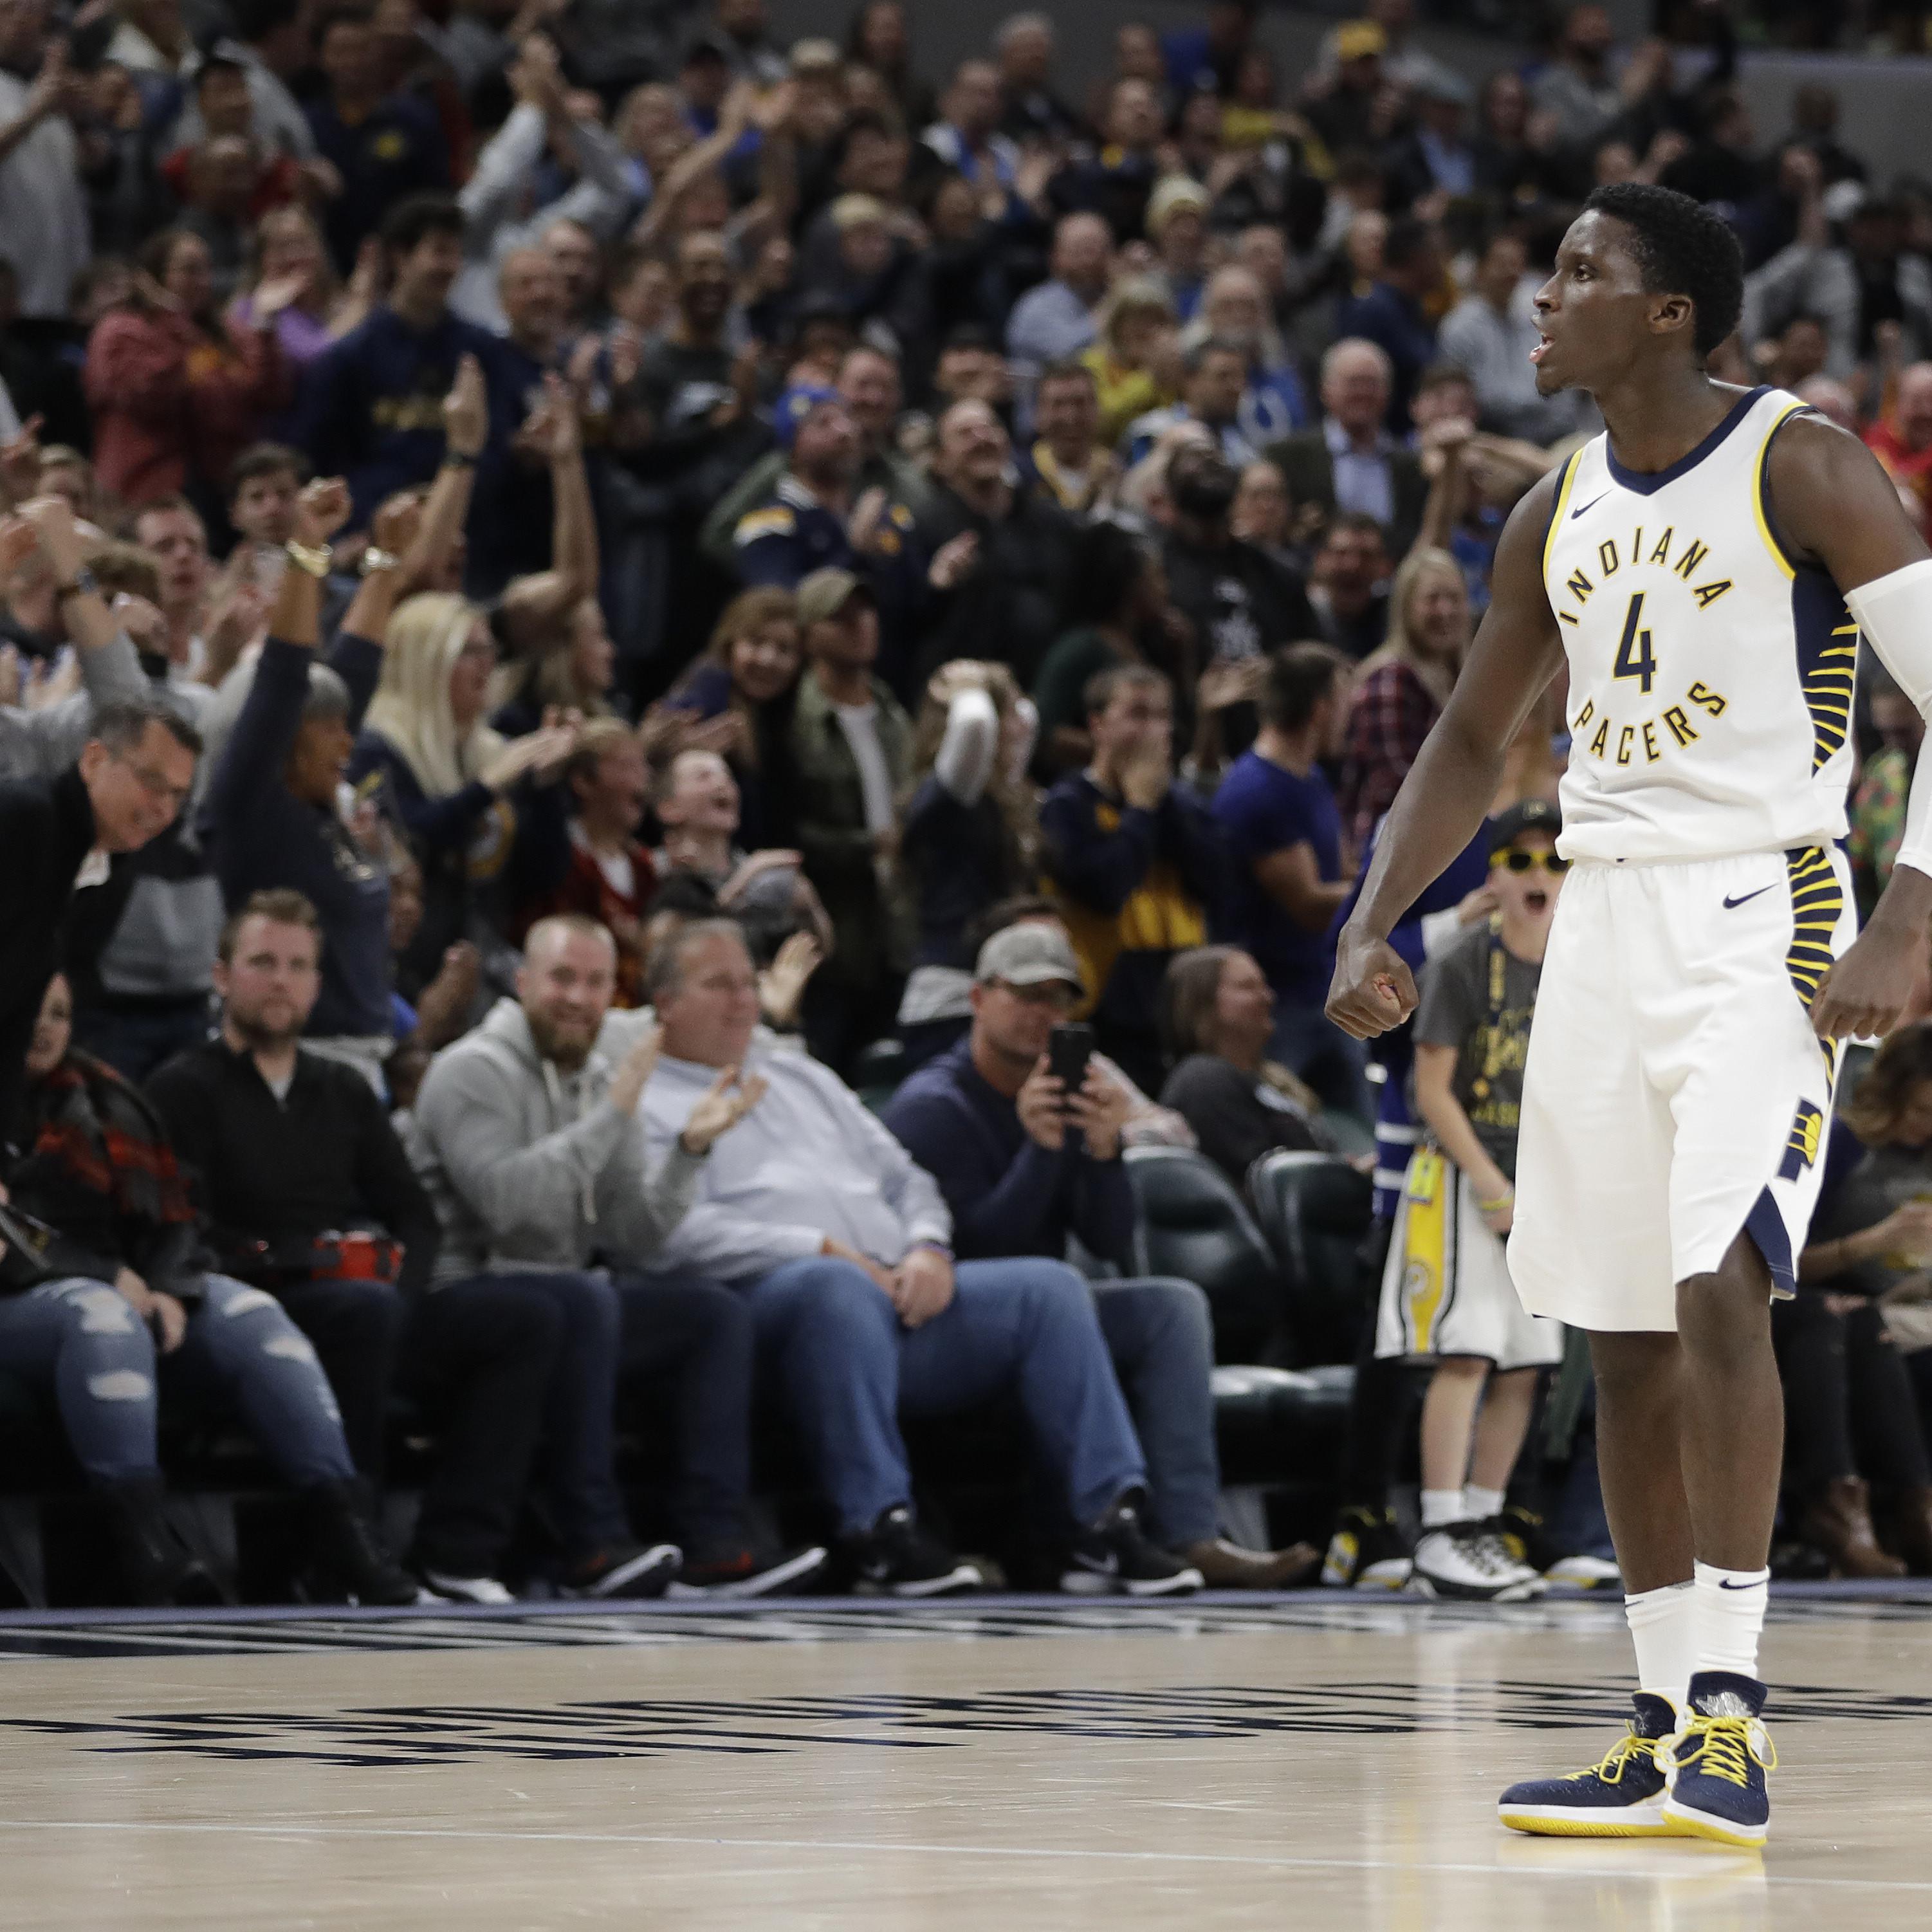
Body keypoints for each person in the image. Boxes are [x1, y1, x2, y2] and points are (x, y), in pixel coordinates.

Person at [1328, 181, 1932, 1849]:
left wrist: (1904, 909)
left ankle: (1732, 1717)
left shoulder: (1797, 461)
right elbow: (1463, 743)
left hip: (1766, 904)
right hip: (1601, 911)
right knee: (1621, 1327)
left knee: (1719, 1281)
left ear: (1667, 310)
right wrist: (1368, 913)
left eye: (1580, 272)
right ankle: (1662, 1719)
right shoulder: (1552, 508)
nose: (1543, 295)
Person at [636, 918, 1201, 1597]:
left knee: (1050, 1287)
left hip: (895, 1297)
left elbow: (908, 1181)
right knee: (832, 1287)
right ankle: (878, 1530)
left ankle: (1107, 1525)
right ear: (664, 1002)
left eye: (746, 984)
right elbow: (662, 1231)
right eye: (717, 985)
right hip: (768, 1311)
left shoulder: (799, 1075)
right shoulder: (641, 1095)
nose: (741, 1001)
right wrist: (820, 1248)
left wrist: (929, 1248)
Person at [145, 888, 569, 1605]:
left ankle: (457, 1551)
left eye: (297, 966)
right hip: (242, 1304)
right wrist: (297, 1261)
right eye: (262, 962)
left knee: (526, 1318)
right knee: (358, 1315)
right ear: (222, 977)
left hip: (361, 1302)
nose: (280, 981)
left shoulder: (342, 1089)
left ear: (317, 983)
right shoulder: (181, 1086)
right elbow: (175, 1227)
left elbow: (416, 1217)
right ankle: (349, 1550)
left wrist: (403, 1295)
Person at [883, 921, 1316, 1590]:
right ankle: (1105, 1528)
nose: (1042, 1015)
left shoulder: (1070, 1094)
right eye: (1025, 995)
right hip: (948, 1320)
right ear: (978, 999)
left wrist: (1106, 1153)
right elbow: (984, 1246)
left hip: (1047, 1310)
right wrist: (1039, 1149)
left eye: (1058, 1000)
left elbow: (1113, 1241)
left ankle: (1192, 1533)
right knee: (1052, 1285)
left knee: (1170, 1306)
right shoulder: (933, 1107)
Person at [412, 914, 828, 1596]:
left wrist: (690, 1153)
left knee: (710, 1316)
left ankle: (714, 1546)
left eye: (596, 982)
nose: (578, 997)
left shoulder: (601, 1075)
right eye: (562, 979)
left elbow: (636, 1231)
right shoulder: (471, 1072)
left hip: (568, 1305)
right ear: (522, 984)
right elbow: (508, 1206)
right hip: (461, 1301)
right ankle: (592, 1546)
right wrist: (610, 1114)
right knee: (584, 1298)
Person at [6, 971, 418, 1606]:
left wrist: (171, 1285)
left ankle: (346, 1536)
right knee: (103, 1316)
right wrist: (100, 1273)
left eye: (59, 1011)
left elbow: (176, 1215)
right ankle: (148, 1551)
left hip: (131, 1283)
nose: (44, 1025)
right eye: (32, 1009)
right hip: (28, 1298)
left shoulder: (109, 1097)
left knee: (255, 1318)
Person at [1373, 801, 1569, 1604]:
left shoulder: (1580, 966)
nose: (1537, 876)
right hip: (1460, 1178)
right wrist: (1491, 1185)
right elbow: (1430, 1091)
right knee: (1467, 1352)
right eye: (1518, 862)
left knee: (1527, 1364)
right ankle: (1441, 1530)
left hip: (1543, 1186)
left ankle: (1484, 1525)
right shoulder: (1462, 963)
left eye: (1552, 861)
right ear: (1493, 877)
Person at [1, 689, 199, 1139]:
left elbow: (17, 1021)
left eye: (177, 794)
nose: (163, 809)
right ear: (93, 760)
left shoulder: (111, 871)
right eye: (151, 781)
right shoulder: (23, 818)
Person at [1041, 665, 1225, 1096]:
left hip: (1179, 1013)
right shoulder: (1066, 805)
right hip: (1105, 1015)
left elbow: (1220, 882)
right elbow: (1105, 889)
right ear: (1097, 725)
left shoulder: (1178, 805)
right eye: (1137, 714)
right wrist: (1139, 810)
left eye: (1162, 716)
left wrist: (1160, 804)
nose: (1153, 730)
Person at [1213, 644, 1366, 1116]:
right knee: (1283, 1129)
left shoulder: (1310, 777)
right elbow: (1308, 904)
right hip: (1277, 1005)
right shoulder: (1258, 791)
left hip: (1323, 987)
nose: (1349, 718)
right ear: (1320, 708)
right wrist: (1406, 894)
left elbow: (1345, 872)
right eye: (1344, 703)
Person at [787, 566, 911, 1072]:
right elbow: (791, 828)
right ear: (809, 634)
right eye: (840, 618)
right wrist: (868, 845)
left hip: (895, 926)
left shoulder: (890, 711)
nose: (860, 625)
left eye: (865, 613)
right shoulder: (796, 719)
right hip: (832, 934)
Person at [84, 226, 295, 512]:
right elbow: (149, 397)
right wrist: (171, 317)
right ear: (153, 278)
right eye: (190, 271)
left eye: (207, 270)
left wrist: (266, 324)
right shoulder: (121, 330)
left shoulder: (222, 332)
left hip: (219, 486)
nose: (204, 282)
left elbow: (269, 395)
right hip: (147, 491)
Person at [894, 661, 1037, 1069]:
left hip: (994, 990)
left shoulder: (1001, 797)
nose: (1020, 725)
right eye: (1006, 713)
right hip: (950, 1002)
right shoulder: (950, 796)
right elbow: (975, 725)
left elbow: (1027, 720)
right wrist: (969, 689)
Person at [1158, 946, 1329, 1185]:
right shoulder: (1202, 1080)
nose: (1268, 998)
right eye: (1248, 987)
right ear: (1200, 1002)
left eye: (1264, 986)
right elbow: (1253, 1184)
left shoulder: (1273, 1077)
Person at [1338, 548, 1469, 857]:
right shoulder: (1390, 679)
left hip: (1442, 838)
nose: (1445, 610)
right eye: (1433, 599)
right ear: (1406, 608)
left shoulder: (1460, 676)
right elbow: (1400, 784)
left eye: (1454, 598)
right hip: (1388, 849)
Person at [1265, 340, 1429, 561]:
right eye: (1353, 383)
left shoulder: (1411, 465)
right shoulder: (1288, 457)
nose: (1363, 393)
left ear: (1388, 393)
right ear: (1326, 390)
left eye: (1372, 383)